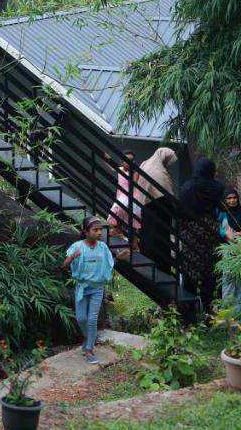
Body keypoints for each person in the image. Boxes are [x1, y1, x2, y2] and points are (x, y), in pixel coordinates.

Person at [63, 216, 130, 364]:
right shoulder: (77, 246)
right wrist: (72, 257)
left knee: (92, 319)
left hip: (97, 289)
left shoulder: (103, 247)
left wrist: (119, 257)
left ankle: (89, 349)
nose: (99, 232)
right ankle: (89, 337)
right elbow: (64, 266)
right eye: (96, 229)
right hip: (82, 288)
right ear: (86, 231)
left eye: (100, 229)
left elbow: (110, 264)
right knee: (81, 318)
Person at [178, 158, 226, 315]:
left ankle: (189, 310)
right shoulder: (218, 187)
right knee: (210, 267)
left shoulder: (187, 186)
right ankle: (209, 309)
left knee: (190, 266)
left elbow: (181, 208)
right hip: (210, 229)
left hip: (191, 230)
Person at [134, 147, 178, 275]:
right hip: (160, 210)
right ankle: (162, 269)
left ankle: (148, 263)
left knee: (149, 238)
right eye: (168, 161)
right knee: (160, 241)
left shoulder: (145, 164)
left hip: (146, 208)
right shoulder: (159, 171)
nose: (167, 164)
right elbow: (166, 193)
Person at [107, 151, 140, 243]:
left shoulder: (135, 171)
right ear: (122, 161)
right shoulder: (121, 169)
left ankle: (133, 243)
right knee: (117, 211)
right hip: (121, 195)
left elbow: (134, 183)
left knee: (131, 218)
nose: (129, 162)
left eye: (131, 160)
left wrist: (132, 172)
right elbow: (112, 168)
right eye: (126, 160)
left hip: (131, 195)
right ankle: (118, 229)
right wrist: (107, 159)